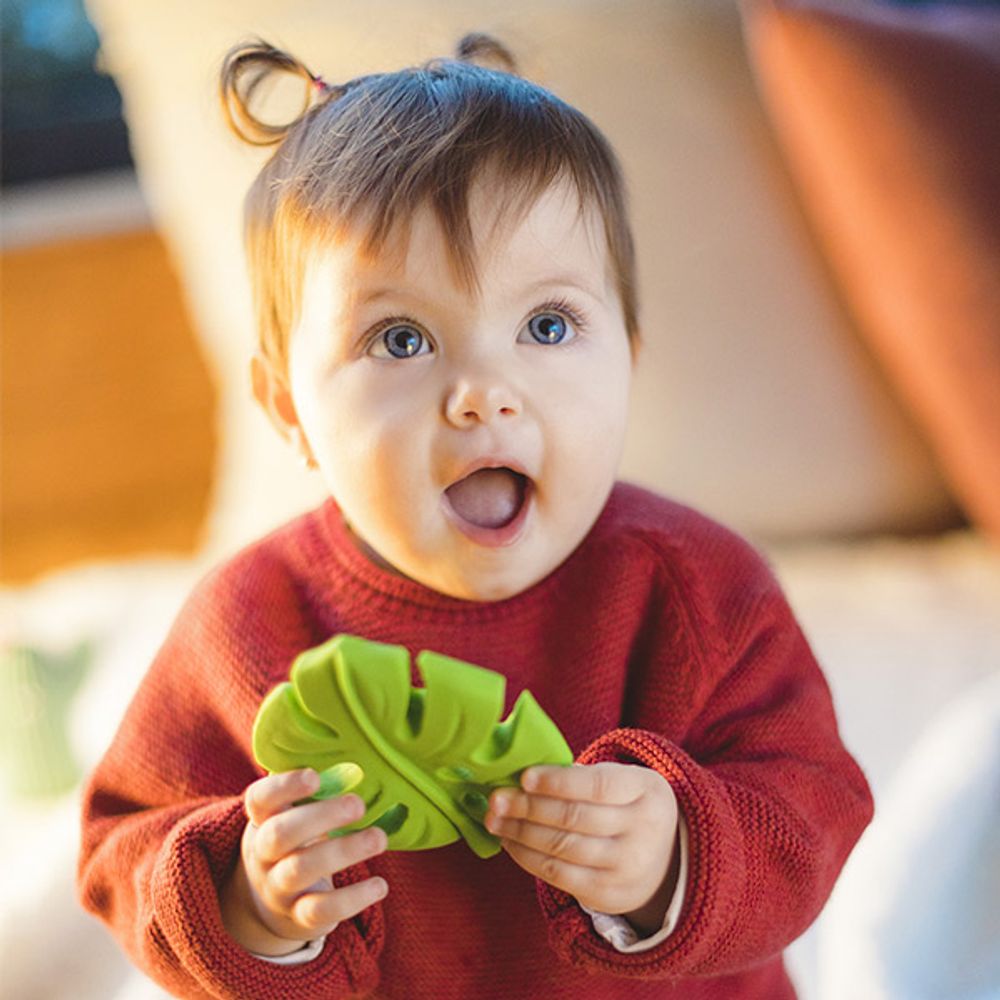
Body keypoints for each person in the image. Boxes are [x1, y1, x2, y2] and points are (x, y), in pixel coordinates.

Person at [78, 35, 873, 1000]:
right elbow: (121, 847)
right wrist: (243, 899)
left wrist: (677, 851)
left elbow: (815, 802)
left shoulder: (700, 589)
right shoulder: (245, 624)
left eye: (547, 326)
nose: (483, 395)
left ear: (626, 353)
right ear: (289, 408)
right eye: (401, 338)